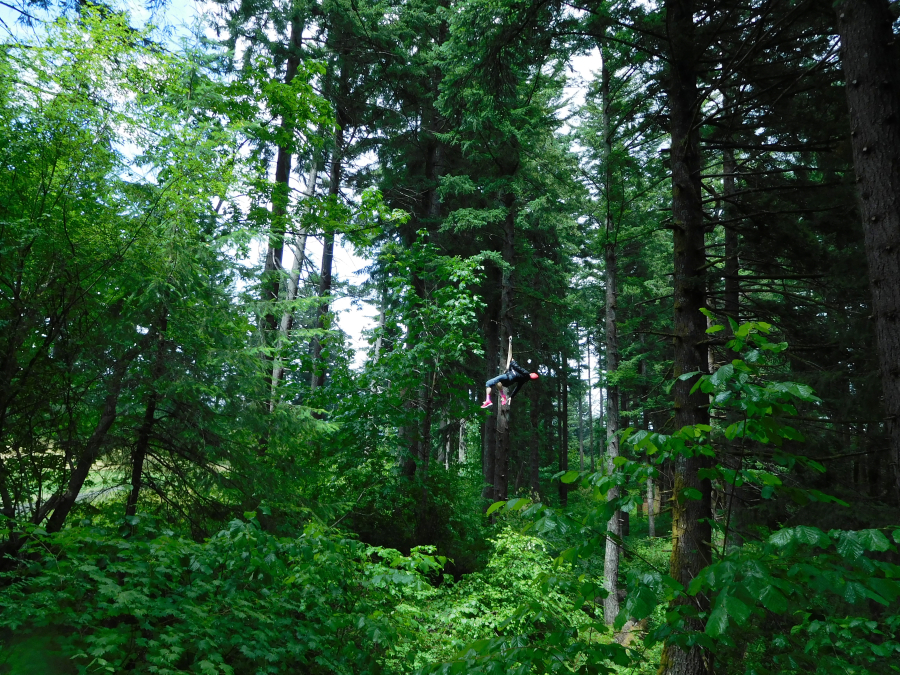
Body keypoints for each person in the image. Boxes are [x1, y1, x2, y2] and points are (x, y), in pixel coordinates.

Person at [481, 337, 539, 408]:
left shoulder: (525, 373)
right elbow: (517, 388)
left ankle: (490, 400)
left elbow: (517, 367)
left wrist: (513, 361)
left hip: (508, 377)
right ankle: (499, 397)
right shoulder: (524, 380)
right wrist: (511, 396)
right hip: (508, 382)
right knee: (496, 382)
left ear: (531, 374)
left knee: (489, 383)